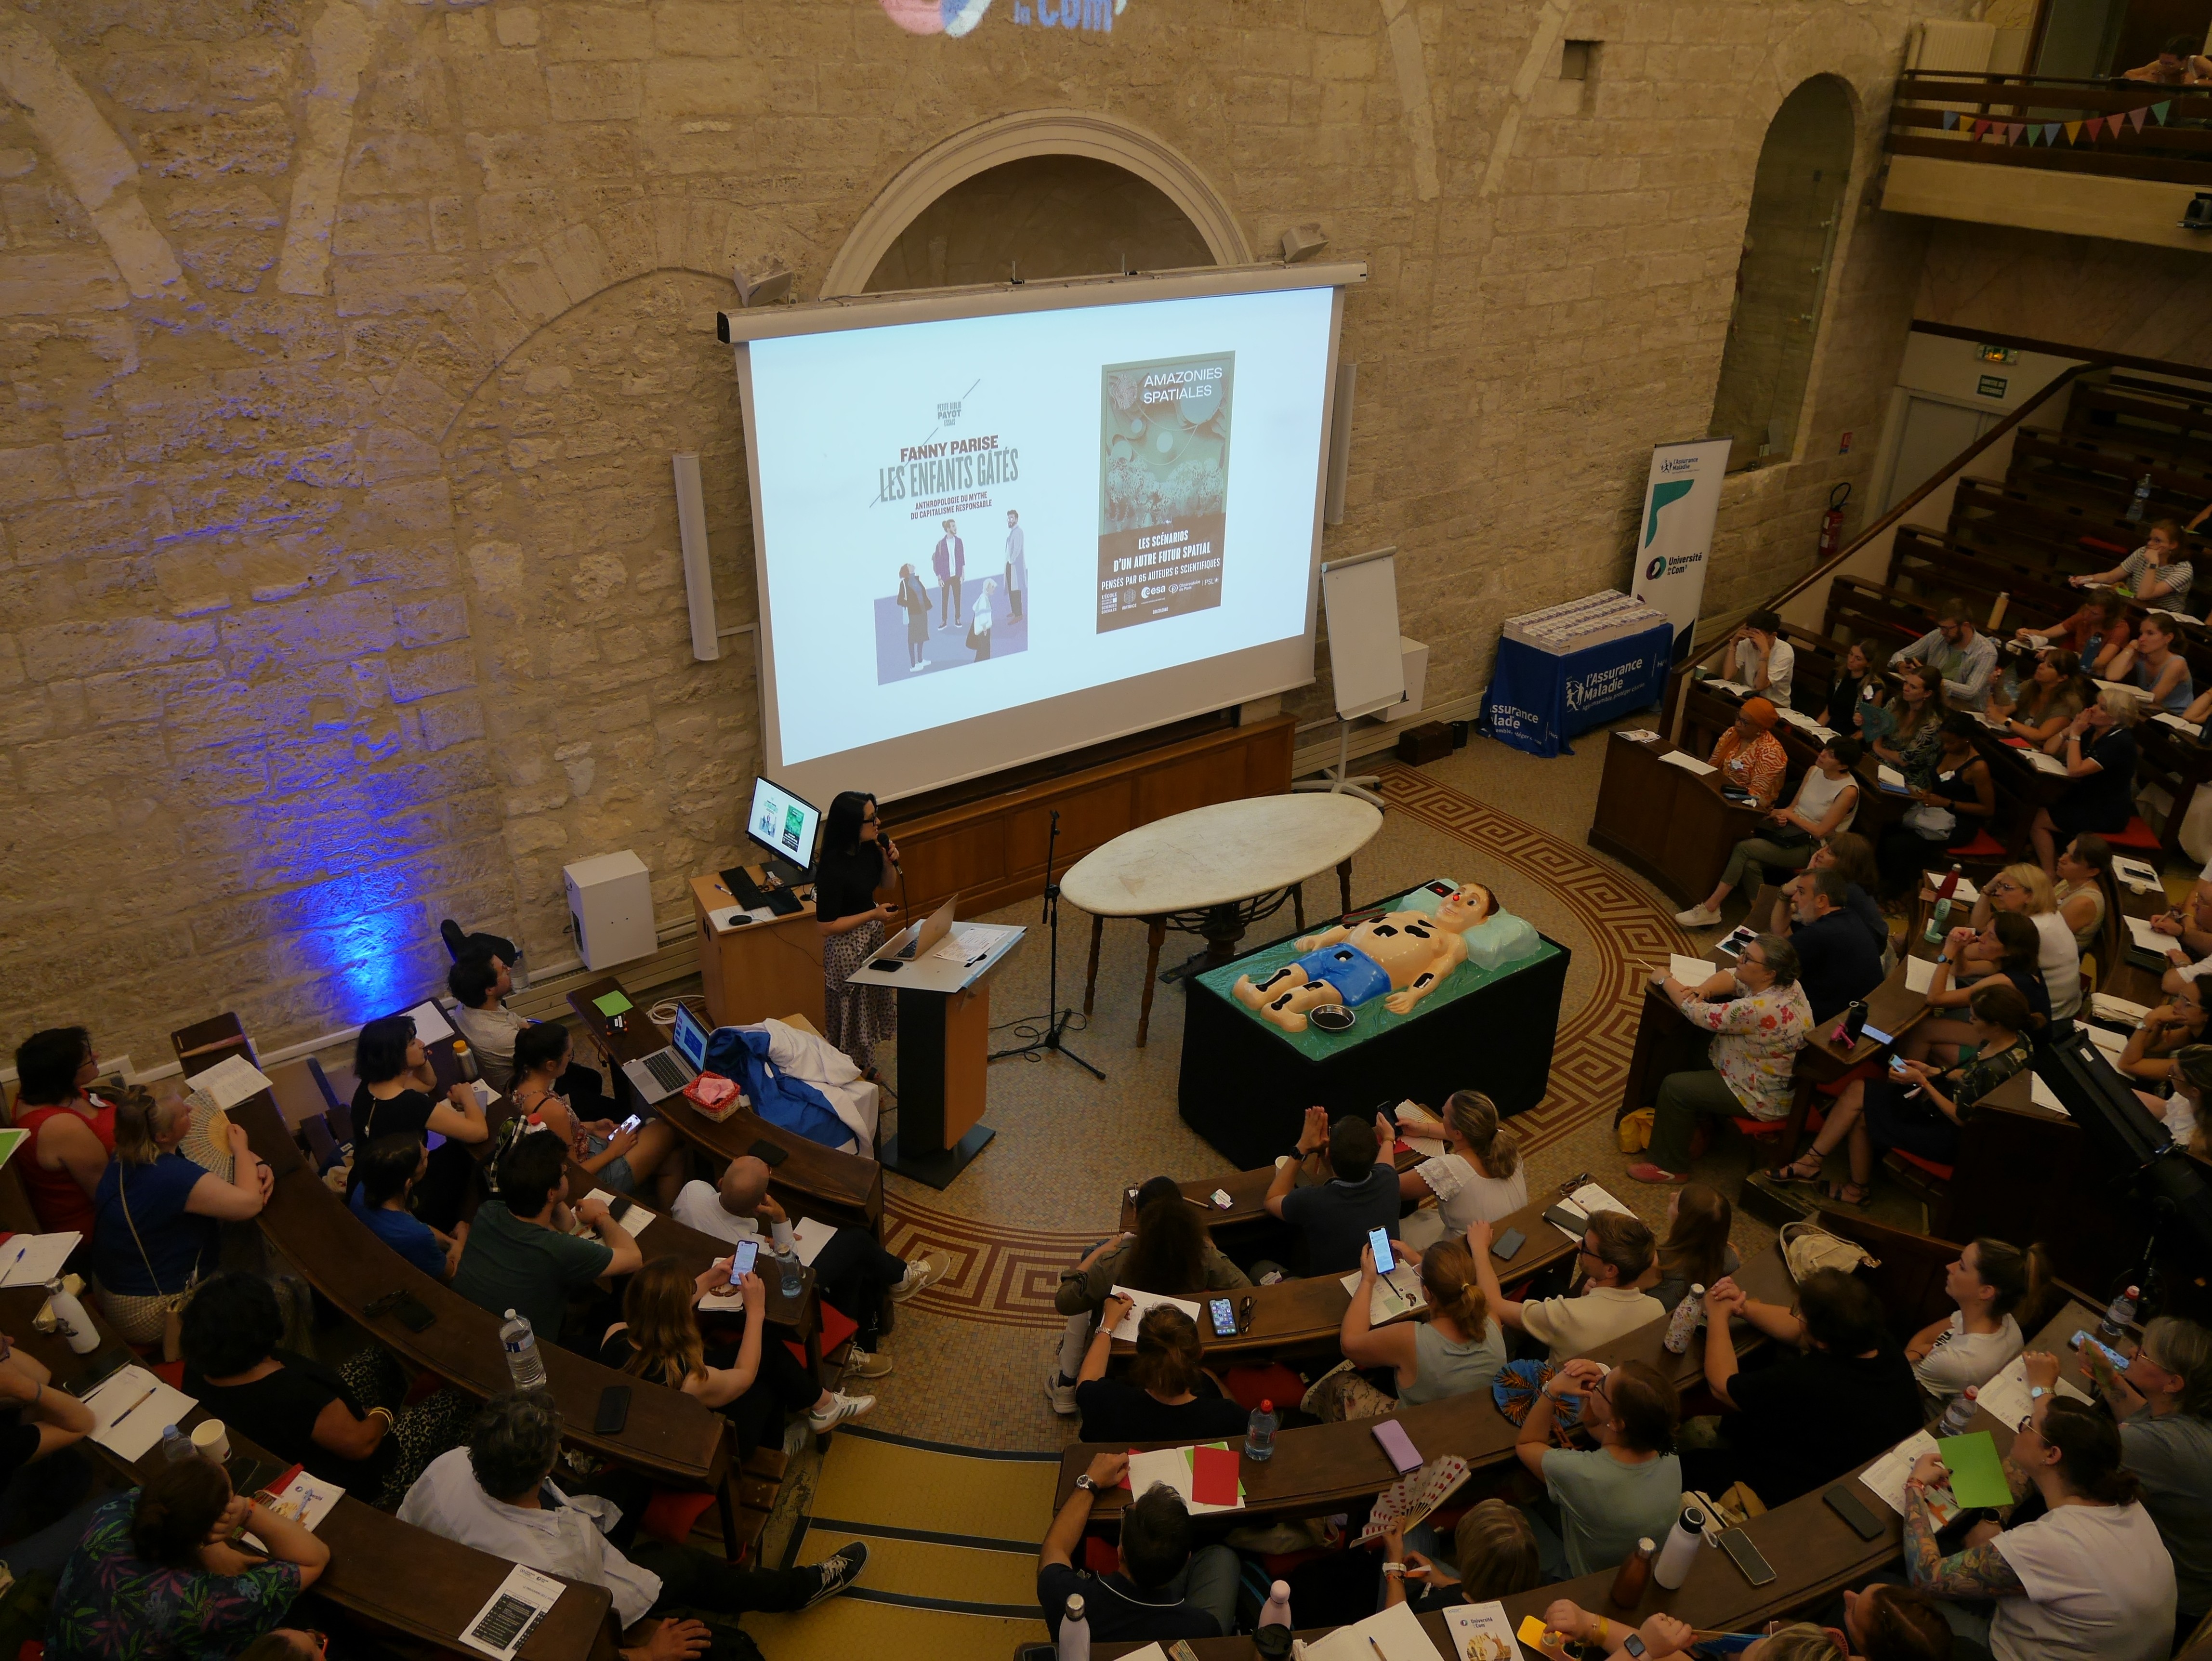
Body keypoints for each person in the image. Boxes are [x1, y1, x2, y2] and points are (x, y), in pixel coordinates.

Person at [401, 1392, 867, 1661]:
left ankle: (794, 1588)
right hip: (593, 1611)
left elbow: (407, 1528)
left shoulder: (451, 1465)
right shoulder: (554, 1566)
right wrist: (647, 1653)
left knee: (656, 1517)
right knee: (732, 1644)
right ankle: (794, 1592)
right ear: (544, 1469)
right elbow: (572, 1649)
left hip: (564, 1562)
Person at [1902, 1392, 2174, 1661]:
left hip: (2002, 1649)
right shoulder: (2124, 1501)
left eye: (2028, 1425)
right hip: (2103, 1644)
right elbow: (2027, 1469)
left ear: (2053, 1454)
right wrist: (1995, 1517)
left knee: (1890, 1588)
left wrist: (1915, 1486)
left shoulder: (2050, 1541)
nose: (2020, 1428)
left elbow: (1925, 1578)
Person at [181, 1270, 472, 1508]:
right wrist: (382, 1415)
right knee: (456, 1399)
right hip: (362, 1476)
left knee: (379, 1358)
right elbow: (361, 1445)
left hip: (296, 1439)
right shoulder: (292, 1394)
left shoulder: (200, 1366)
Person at [671, 1154, 944, 1380]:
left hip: (699, 1278)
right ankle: (902, 1277)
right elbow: (792, 1267)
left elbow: (717, 1223)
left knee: (852, 1266)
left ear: (720, 1182)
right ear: (758, 1206)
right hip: (770, 1298)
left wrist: (759, 1237)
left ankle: (849, 1347)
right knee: (857, 1242)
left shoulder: (691, 1193)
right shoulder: (751, 1250)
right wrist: (780, 1219)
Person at [47, 1453, 328, 1661]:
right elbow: (313, 1559)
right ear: (209, 1531)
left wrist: (211, 1546)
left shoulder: (111, 1516)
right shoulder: (199, 1602)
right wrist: (247, 1511)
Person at [1782, 981, 2035, 1207]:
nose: (1970, 1022)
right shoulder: (2018, 1041)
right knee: (1859, 1094)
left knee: (1861, 1107)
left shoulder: (1995, 1068)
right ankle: (1820, 1167)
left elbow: (1961, 1117)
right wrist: (1935, 1071)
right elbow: (1970, 1078)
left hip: (1950, 1134)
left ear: (1996, 1025)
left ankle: (1836, 1177)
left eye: (1976, 1019)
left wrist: (1924, 1082)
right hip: (1948, 1105)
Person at [2041, 1317, 2211, 1648]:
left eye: (2144, 1354)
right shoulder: (2187, 1413)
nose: (2132, 1351)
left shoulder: (2165, 1445)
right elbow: (2142, 1416)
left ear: (2173, 1383)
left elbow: (2054, 1450)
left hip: (2169, 1601)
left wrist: (2042, 1388)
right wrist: (2109, 1378)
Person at [1692, 1266, 1922, 1503]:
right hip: (1852, 1456)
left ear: (1823, 1341)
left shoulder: (1813, 1379)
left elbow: (1723, 1387)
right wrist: (1743, 1308)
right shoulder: (1877, 1341)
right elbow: (1799, 1333)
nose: (1796, 1317)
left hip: (1815, 1490)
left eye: (1801, 1314)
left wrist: (1718, 1316)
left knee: (1693, 1465)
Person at [600, 1257, 875, 1450]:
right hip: (692, 1444)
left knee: (766, 1348)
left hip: (652, 1414)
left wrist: (710, 1278)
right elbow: (744, 1376)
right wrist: (756, 1312)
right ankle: (776, 1448)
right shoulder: (689, 1380)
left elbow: (661, 1309)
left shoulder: (617, 1332)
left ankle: (824, 1405)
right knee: (764, 1384)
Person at [1048, 1175, 1246, 1414]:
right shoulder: (1203, 1255)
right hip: (1175, 1343)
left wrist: (1098, 1254)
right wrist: (1212, 1250)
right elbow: (1245, 1288)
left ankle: (1067, 1381)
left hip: (1119, 1355)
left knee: (1088, 1267)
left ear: (1136, 1215)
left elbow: (1065, 1301)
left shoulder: (1113, 1262)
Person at [91, 1087, 269, 1347]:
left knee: (237, 1231)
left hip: (118, 1284)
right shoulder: (170, 1176)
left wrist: (260, 1164)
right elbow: (250, 1204)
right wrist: (242, 1150)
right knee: (279, 1296)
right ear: (163, 1136)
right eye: (183, 1114)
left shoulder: (128, 1151)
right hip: (149, 1309)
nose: (190, 1110)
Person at [1630, 935, 1814, 1185]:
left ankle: (1669, 1167)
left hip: (1762, 1096)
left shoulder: (1758, 1009)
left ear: (1769, 973)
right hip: (1771, 1076)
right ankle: (1696, 1124)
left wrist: (1664, 979)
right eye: (1743, 952)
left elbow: (1696, 1011)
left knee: (1675, 1088)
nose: (1739, 960)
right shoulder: (1789, 985)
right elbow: (1733, 976)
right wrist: (1706, 989)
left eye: (1748, 959)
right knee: (1695, 1046)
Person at [450, 1128, 643, 1347]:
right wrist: (601, 1216)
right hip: (527, 1353)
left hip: (468, 1331)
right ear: (551, 1193)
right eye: (564, 1172)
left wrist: (549, 1194)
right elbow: (634, 1258)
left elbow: (566, 1224)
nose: (566, 1174)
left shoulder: (488, 1212)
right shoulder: (557, 1250)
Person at [1037, 1451, 1236, 1643]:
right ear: (1186, 1561)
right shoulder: (1204, 1630)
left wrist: (1090, 1482)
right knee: (1222, 1556)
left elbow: (1055, 1548)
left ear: (1120, 1551)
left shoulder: (1070, 1603)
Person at [1514, 1357, 1681, 1579]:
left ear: (1617, 1423)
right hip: (1635, 1560)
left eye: (1603, 1384)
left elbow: (1527, 1445)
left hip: (1586, 1579)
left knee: (1514, 1510)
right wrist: (1600, 1394)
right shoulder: (1663, 1442)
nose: (1598, 1382)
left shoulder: (1584, 1473)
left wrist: (1552, 1389)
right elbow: (1595, 1426)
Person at [1312, 1234, 1509, 1418]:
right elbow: (1457, 1285)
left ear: (1427, 1293)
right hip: (1476, 1418)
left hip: (1421, 1427)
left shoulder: (1410, 1339)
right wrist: (1417, 1260)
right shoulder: (1491, 1318)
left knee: (1340, 1383)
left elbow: (1349, 1343)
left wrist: (1367, 1280)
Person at [1676, 736, 1862, 927]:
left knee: (1744, 848)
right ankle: (1764, 917)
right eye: (1825, 749)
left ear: (1843, 766)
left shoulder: (1848, 791)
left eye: (1830, 755)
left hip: (1814, 847)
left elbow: (1821, 832)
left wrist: (1788, 815)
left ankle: (1711, 907)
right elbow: (1793, 808)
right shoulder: (1814, 771)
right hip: (1790, 833)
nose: (1822, 755)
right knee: (1751, 865)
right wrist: (1783, 816)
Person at [509, 1021, 681, 1205]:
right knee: (668, 1129)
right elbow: (574, 1175)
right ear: (550, 1065)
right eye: (569, 1055)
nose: (570, 1059)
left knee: (673, 1157)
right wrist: (614, 1151)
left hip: (590, 1146)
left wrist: (591, 1127)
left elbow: (555, 1133)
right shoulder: (551, 1109)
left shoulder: (520, 1084)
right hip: (593, 1175)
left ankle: (666, 1211)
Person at [346, 1013, 487, 1231]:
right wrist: (468, 1096)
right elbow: (479, 1132)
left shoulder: (369, 1086)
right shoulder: (408, 1104)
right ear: (395, 1057)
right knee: (465, 1152)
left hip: (371, 1179)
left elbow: (428, 1083)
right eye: (413, 1043)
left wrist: (421, 1060)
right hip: (408, 1193)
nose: (422, 1044)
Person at [1469, 1210, 1661, 1358]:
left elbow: (1493, 1302)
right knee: (1548, 1283)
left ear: (1611, 1270)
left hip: (1550, 1384)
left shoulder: (1568, 1315)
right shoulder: (1656, 1309)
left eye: (1586, 1247)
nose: (1578, 1245)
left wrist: (1479, 1248)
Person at [1070, 1300, 1248, 1443]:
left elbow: (1087, 1383)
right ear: (1200, 1353)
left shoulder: (1108, 1403)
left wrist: (1108, 1324)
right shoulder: (1226, 1417)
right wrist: (1208, 1375)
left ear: (1139, 1353)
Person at [812, 790, 899, 1077]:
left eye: (877, 815)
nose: (878, 823)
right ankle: (849, 1074)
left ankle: (863, 1066)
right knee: (851, 1015)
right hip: (845, 951)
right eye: (871, 819)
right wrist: (873, 915)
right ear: (851, 826)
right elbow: (826, 926)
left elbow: (888, 885)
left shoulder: (870, 849)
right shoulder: (833, 867)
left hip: (871, 939)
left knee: (869, 1006)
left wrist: (888, 860)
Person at [1904, 1238, 2046, 1404]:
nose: (1950, 1267)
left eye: (1962, 1267)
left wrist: (1917, 1352)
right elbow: (1923, 1337)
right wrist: (1920, 1352)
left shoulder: (1958, 1362)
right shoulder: (2001, 1319)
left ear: (1986, 1292)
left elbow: (1899, 1386)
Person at [1898, 910, 2052, 1064]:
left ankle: (1902, 1075)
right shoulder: (2014, 963)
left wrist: (1948, 952)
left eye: (1991, 937)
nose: (1981, 938)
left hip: (2016, 1050)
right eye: (1985, 932)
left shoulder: (2007, 982)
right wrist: (1959, 950)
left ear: (2009, 950)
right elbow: (1961, 970)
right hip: (2000, 1028)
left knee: (1922, 1029)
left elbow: (1935, 999)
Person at [8, 1025, 117, 1238]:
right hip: (102, 1231)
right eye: (87, 1058)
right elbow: (112, 1197)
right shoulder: (60, 1127)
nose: (96, 1056)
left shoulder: (53, 1093)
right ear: (65, 1074)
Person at [1264, 1107, 1401, 1274]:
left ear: (1329, 1154)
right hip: (1381, 1278)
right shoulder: (1389, 1179)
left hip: (1334, 1286)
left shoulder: (1311, 1201)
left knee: (1261, 1267)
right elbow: (1385, 1160)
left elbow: (1272, 1199)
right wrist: (1388, 1137)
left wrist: (1302, 1147)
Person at [1874, 712, 1997, 898]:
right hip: (1933, 809)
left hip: (1957, 824)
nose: (1946, 747)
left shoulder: (1978, 768)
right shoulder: (1946, 751)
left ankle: (1898, 890)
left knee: (1898, 843)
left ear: (1966, 739)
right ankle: (1882, 879)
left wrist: (1949, 803)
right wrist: (1926, 792)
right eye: (1944, 742)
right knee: (1886, 826)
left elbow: (1988, 810)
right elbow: (1939, 782)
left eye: (1951, 743)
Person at [1390, 1090, 1529, 1247]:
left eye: (1444, 1115)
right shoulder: (1504, 1143)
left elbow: (1387, 1187)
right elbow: (1466, 1134)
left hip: (1464, 1252)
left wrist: (1388, 1139)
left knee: (1400, 1230)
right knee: (1424, 1219)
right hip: (1511, 1239)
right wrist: (1424, 1129)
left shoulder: (1449, 1170)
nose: (1442, 1114)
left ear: (1458, 1133)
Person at [2030, 689, 2142, 875]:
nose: (2092, 709)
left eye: (2102, 708)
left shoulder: (2120, 742)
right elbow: (2049, 750)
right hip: (2083, 797)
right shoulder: (2092, 731)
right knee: (2035, 802)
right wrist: (2069, 730)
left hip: (2105, 811)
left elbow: (2075, 770)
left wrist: (2075, 735)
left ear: (2115, 719)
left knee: (2038, 819)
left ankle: (2050, 875)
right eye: (2096, 703)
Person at [1379, 1498, 1542, 1612]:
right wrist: (1445, 1581)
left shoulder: (1435, 1607)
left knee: (1410, 1534)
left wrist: (1394, 1567)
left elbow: (1396, 1630)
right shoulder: (1541, 1589)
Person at [1965, 860, 2080, 1022]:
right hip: (2056, 1001)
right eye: (1999, 886)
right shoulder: (2045, 913)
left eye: (2007, 888)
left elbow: (1972, 951)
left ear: (2030, 896)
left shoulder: (2034, 927)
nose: (1998, 893)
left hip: (2046, 1012)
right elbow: (1980, 925)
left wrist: (1951, 948)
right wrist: (1987, 891)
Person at [1773, 867, 1885, 1023]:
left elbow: (1769, 962)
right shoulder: (1848, 916)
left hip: (1832, 1024)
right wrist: (1784, 893)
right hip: (1865, 1012)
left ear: (1821, 901)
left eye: (1802, 892)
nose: (1795, 898)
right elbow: (1781, 934)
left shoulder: (1818, 934)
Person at [349, 1131, 466, 1279]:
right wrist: (462, 1237)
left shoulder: (364, 1188)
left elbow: (418, 1226)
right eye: (423, 1160)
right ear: (408, 1183)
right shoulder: (415, 1236)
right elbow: (450, 1275)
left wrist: (450, 1243)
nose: (428, 1152)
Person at [1894, 596, 1999, 710]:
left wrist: (1933, 681)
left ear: (1966, 626)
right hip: (1929, 701)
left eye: (1947, 629)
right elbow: (1901, 654)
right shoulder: (1937, 636)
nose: (1942, 633)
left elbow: (1970, 691)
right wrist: (1900, 665)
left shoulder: (1986, 652)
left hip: (1962, 710)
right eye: (1941, 627)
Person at [1651, 1182, 1738, 1313]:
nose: (1671, 1195)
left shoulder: (1657, 1264)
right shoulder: (1733, 1256)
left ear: (1683, 1222)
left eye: (1676, 1202)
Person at [1809, 830, 1892, 959]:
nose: (1819, 853)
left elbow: (1804, 908)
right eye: (1824, 848)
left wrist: (1809, 873)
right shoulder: (1843, 882)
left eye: (1829, 852)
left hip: (1866, 951)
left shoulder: (1846, 889)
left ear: (1845, 863)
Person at [2074, 518, 2195, 605]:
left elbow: (2144, 595)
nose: (2150, 544)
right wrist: (2085, 579)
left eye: (2157, 541)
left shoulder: (2183, 570)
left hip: (2162, 620)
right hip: (2135, 607)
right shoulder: (2142, 552)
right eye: (2150, 539)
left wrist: (2153, 563)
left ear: (2173, 545)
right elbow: (2111, 577)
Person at [1986, 646, 2087, 749]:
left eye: (2049, 666)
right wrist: (1991, 687)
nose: (2041, 666)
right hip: (2017, 744)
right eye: (2043, 662)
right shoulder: (2031, 685)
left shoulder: (2069, 703)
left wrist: (2006, 721)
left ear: (2062, 678)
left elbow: (2040, 735)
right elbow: (2004, 711)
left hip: (2041, 753)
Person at [2117, 977, 2209, 1084]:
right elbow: (2151, 1046)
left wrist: (2149, 1020)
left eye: (2187, 1003)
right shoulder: (2196, 1030)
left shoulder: (2206, 1058)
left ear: (2208, 1016)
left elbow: (2127, 1065)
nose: (2176, 1005)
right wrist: (2160, 1022)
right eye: (2180, 996)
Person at [2016, 592, 2130, 676]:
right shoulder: (2084, 616)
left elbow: (2100, 663)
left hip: (2095, 674)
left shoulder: (2120, 629)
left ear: (2109, 615)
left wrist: (2057, 654)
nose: (2087, 615)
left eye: (2094, 614)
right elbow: (2047, 634)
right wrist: (2027, 633)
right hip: (2074, 667)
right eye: (2087, 609)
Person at [1708, 697, 1789, 810]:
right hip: (1720, 791)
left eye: (1745, 722)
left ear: (1759, 728)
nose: (1738, 724)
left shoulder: (1771, 752)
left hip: (1747, 806)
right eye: (1738, 717)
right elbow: (1712, 765)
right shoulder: (1732, 733)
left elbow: (1757, 795)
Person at [2053, 832, 2120, 967]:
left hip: (2052, 963)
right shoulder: (2070, 881)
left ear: (2092, 872)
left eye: (2073, 860)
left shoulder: (2084, 903)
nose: (2062, 859)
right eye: (2066, 852)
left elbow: (2046, 938)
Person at [2108, 609, 2194, 713]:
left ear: (2168, 638)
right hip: (2146, 710)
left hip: (2173, 716)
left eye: (2150, 633)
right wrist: (2130, 647)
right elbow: (2112, 676)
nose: (2141, 639)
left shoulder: (2177, 664)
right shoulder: (2139, 654)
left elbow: (2155, 699)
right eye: (2141, 633)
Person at [1870, 661, 1948, 778]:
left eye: (1913, 687)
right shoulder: (1896, 702)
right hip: (1881, 756)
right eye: (1906, 683)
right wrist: (1877, 747)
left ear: (1927, 693)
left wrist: (1877, 748)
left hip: (1907, 774)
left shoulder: (1932, 724)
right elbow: (1879, 726)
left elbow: (1905, 760)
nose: (1906, 689)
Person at [1817, 639, 1889, 736]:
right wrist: (1815, 731)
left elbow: (1872, 726)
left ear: (1869, 664)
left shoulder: (1874, 688)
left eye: (1858, 659)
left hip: (1851, 736)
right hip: (1829, 731)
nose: (1851, 660)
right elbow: (1828, 712)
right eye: (1851, 654)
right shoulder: (1838, 676)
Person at [1730, 609, 1795, 708]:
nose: (1754, 640)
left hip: (1774, 706)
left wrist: (1764, 652)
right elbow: (1728, 675)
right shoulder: (1747, 643)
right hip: (1748, 700)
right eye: (1751, 635)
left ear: (1773, 635)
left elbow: (1759, 686)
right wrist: (1733, 645)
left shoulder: (1785, 652)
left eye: (1759, 636)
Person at [2124, 34, 2212, 82]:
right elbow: (2128, 74)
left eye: (2170, 64)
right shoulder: (2159, 65)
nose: (2165, 67)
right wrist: (2142, 79)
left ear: (2184, 60)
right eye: (2162, 63)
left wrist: (2196, 82)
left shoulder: (2197, 62)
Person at [895, 561, 930, 669]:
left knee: (922, 636)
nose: (912, 565)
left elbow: (922, 594)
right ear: (907, 570)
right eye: (909, 565)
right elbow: (899, 600)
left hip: (922, 612)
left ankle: (920, 660)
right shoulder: (904, 584)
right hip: (913, 614)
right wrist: (911, 605)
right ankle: (913, 665)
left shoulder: (917, 580)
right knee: (913, 639)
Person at [931, 516, 963, 626]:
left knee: (957, 598)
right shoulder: (941, 544)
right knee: (945, 599)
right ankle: (944, 620)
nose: (955, 528)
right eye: (953, 526)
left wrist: (962, 575)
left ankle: (958, 619)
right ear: (948, 529)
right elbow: (938, 563)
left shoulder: (959, 542)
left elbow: (962, 559)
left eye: (955, 526)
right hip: (945, 576)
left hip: (957, 575)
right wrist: (939, 578)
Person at [1003, 509, 1026, 620]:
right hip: (1010, 564)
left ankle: (1019, 614)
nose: (1010, 520)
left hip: (1015, 565)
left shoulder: (1018, 532)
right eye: (1009, 518)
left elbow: (1017, 548)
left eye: (1012, 518)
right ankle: (1014, 611)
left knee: (1016, 590)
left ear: (1016, 519)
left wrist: (1011, 561)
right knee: (1011, 589)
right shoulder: (1012, 532)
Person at [968, 575, 997, 660]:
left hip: (983, 629)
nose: (994, 589)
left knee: (982, 650)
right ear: (987, 589)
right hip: (984, 630)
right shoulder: (984, 600)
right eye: (992, 587)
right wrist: (985, 629)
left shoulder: (984, 598)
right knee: (984, 650)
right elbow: (982, 615)